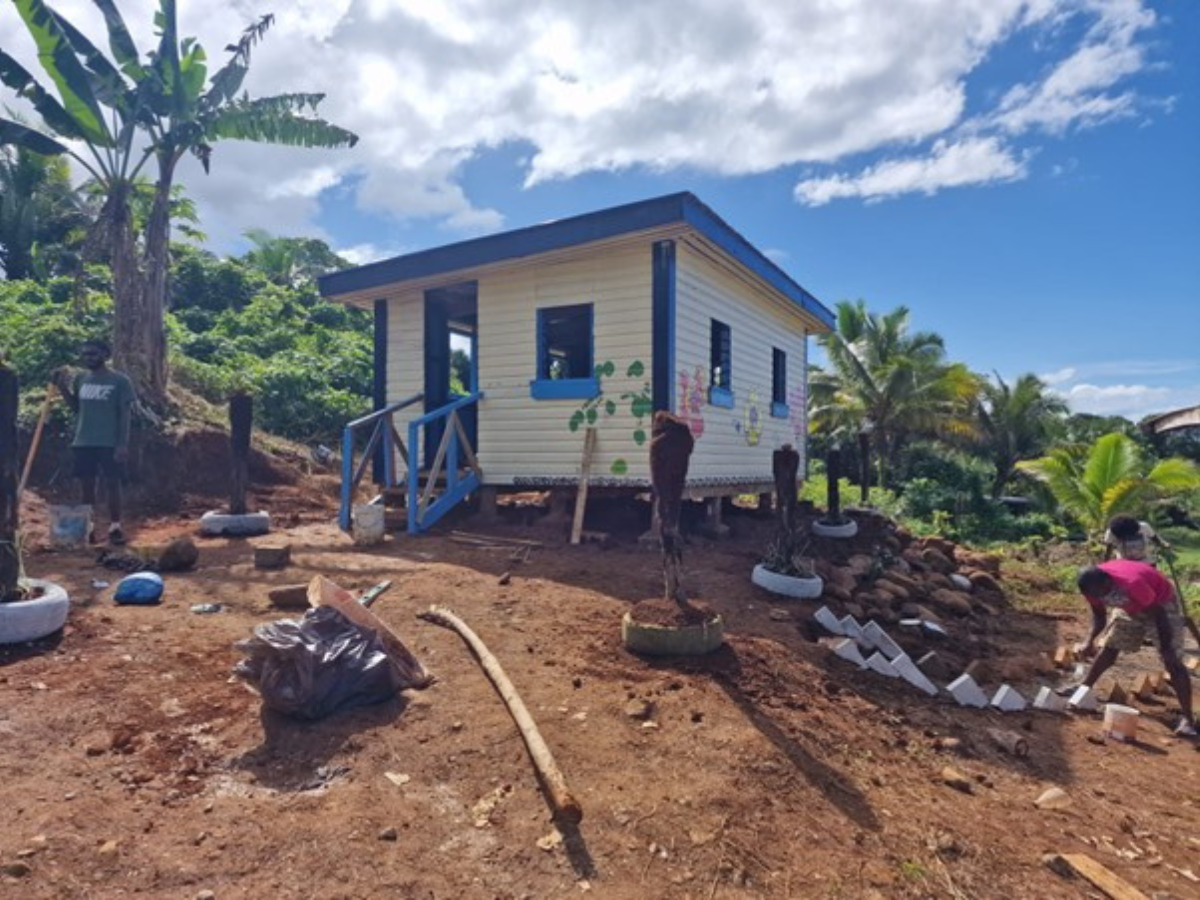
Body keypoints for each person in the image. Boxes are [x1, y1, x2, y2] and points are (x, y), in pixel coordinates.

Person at [1073, 559, 1195, 738]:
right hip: (1129, 606)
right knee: (1110, 645)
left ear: (1108, 582)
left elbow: (1159, 615)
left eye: (1102, 592)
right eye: (1096, 594)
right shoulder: (1090, 588)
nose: (1100, 597)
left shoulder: (1132, 584)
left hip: (1161, 604)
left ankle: (1188, 719)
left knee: (1173, 662)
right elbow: (1099, 616)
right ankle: (1082, 689)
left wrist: (1167, 647)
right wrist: (1089, 640)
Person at [54, 339, 136, 545]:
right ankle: (88, 528)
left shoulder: (120, 381)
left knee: (112, 484)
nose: (88, 357)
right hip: (83, 441)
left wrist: (122, 444)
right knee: (87, 485)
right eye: (85, 354)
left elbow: (125, 415)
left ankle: (115, 526)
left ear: (105, 356)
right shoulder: (81, 379)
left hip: (109, 442)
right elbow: (76, 408)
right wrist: (62, 388)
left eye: (93, 354)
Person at [1103, 514, 1169, 564]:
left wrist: (1163, 544)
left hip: (1146, 561)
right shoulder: (1111, 532)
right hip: (1125, 564)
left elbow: (1155, 538)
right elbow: (1108, 550)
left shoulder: (1144, 527)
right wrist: (1105, 565)